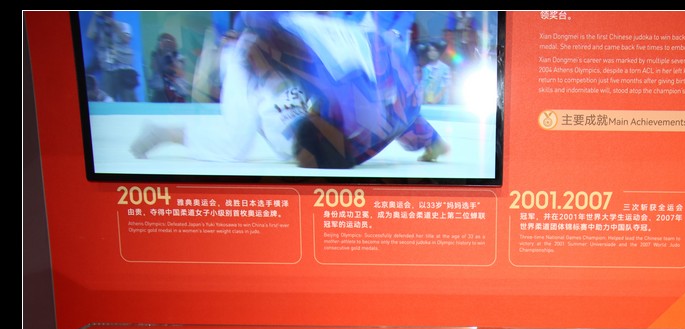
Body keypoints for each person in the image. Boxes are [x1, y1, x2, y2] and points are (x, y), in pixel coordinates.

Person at [130, 11, 449, 168]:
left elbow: (404, 115)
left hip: (307, 60)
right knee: (234, 145)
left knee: (289, 145)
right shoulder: (348, 97)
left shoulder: (391, 101)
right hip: (253, 46)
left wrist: (431, 141)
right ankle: (166, 133)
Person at [147, 33, 191, 103]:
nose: (168, 44)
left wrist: (172, 66)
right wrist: (161, 53)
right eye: (165, 41)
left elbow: (179, 72)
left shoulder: (179, 57)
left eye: (170, 42)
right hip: (161, 94)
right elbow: (155, 67)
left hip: (178, 94)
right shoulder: (156, 56)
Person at [420, 40, 451, 105]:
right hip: (426, 104)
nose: (432, 53)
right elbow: (422, 87)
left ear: (439, 52)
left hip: (441, 105)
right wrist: (427, 101)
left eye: (435, 50)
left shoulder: (445, 69)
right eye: (430, 51)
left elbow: (445, 87)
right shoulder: (424, 69)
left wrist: (434, 101)